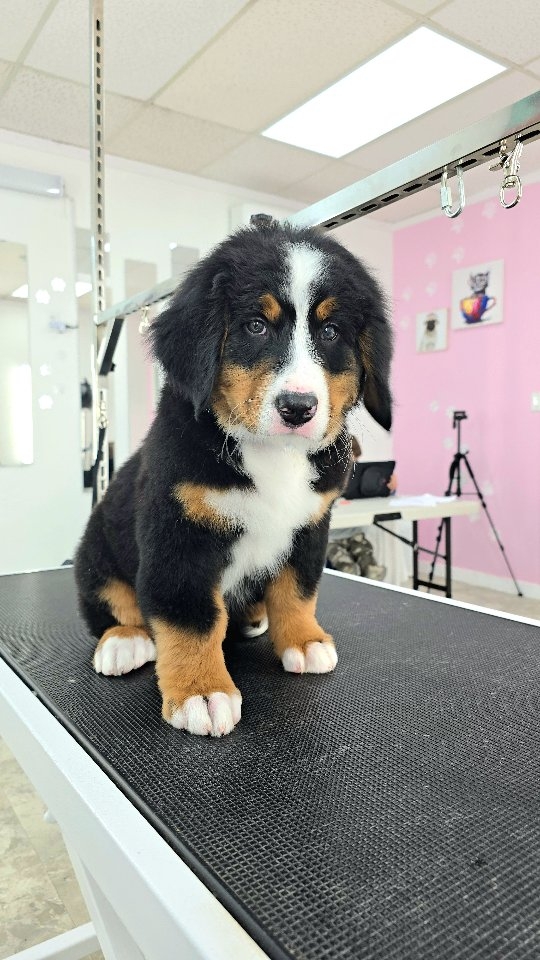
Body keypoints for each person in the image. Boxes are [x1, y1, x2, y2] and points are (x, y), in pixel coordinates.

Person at [326, 435, 396, 580]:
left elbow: (379, 496)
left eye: (355, 463)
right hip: (330, 539)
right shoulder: (325, 481)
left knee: (374, 570)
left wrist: (391, 487)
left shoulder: (360, 483)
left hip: (353, 534)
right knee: (350, 571)